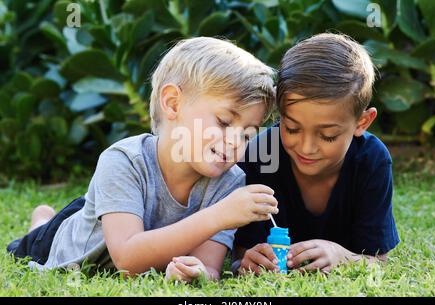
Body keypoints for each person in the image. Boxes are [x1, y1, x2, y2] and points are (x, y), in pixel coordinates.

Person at [7, 37, 279, 282]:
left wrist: (196, 272)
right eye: (223, 122)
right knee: (31, 244)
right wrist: (221, 215)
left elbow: (210, 268)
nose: (235, 142)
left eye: (247, 135)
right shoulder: (124, 160)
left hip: (119, 207)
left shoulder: (229, 184)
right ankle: (42, 219)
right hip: (71, 239)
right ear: (173, 103)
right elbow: (127, 259)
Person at [232, 33, 400, 275]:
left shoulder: (371, 160)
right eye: (291, 128)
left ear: (362, 122)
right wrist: (248, 259)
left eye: (328, 135)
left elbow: (378, 260)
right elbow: (241, 252)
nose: (307, 147)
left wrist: (342, 257)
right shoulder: (261, 154)